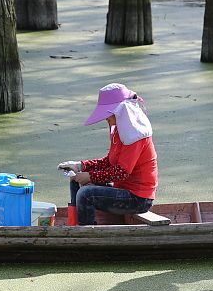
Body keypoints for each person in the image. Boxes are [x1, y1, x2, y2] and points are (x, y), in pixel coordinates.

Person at [58, 83, 157, 225]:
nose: (106, 118)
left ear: (121, 111)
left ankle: (88, 235)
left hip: (138, 199)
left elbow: (121, 172)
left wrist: (90, 176)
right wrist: (81, 166)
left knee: (86, 194)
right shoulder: (120, 130)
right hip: (122, 190)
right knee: (76, 181)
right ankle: (74, 225)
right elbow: (109, 162)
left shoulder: (136, 134)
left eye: (109, 114)